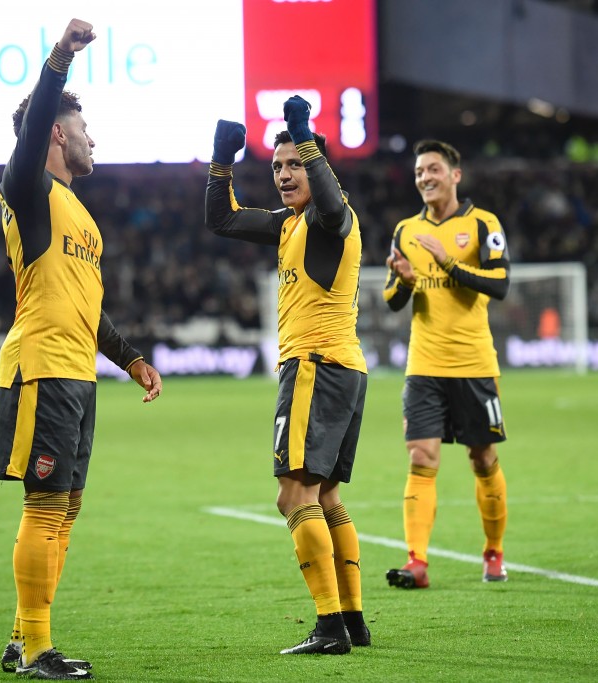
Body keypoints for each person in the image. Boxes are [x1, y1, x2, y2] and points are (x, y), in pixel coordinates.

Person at [0, 18, 163, 681]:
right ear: (58, 134)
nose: (95, 140)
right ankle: (39, 649)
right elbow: (33, 126)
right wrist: (60, 58)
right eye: (85, 129)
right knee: (44, 505)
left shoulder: (80, 215)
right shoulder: (28, 190)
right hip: (41, 369)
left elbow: (89, 309)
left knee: (65, 505)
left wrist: (131, 359)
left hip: (77, 374)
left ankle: (22, 639)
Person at [205, 97, 369, 655]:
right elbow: (223, 219)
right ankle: (352, 620)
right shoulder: (289, 224)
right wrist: (221, 160)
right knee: (325, 496)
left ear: (315, 164)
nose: (282, 174)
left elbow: (331, 203)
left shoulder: (330, 216)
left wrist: (303, 132)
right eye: (277, 166)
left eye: (294, 163)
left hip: (315, 367)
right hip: (342, 368)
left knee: (292, 495)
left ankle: (329, 627)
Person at [382, 139, 511, 590]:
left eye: (433, 169)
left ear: (455, 175)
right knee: (421, 456)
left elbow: (500, 283)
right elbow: (392, 299)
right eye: (419, 171)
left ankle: (493, 552)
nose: (425, 177)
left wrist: (447, 262)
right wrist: (404, 282)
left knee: (483, 457)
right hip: (423, 365)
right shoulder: (405, 231)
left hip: (474, 364)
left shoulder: (483, 224)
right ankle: (416, 562)